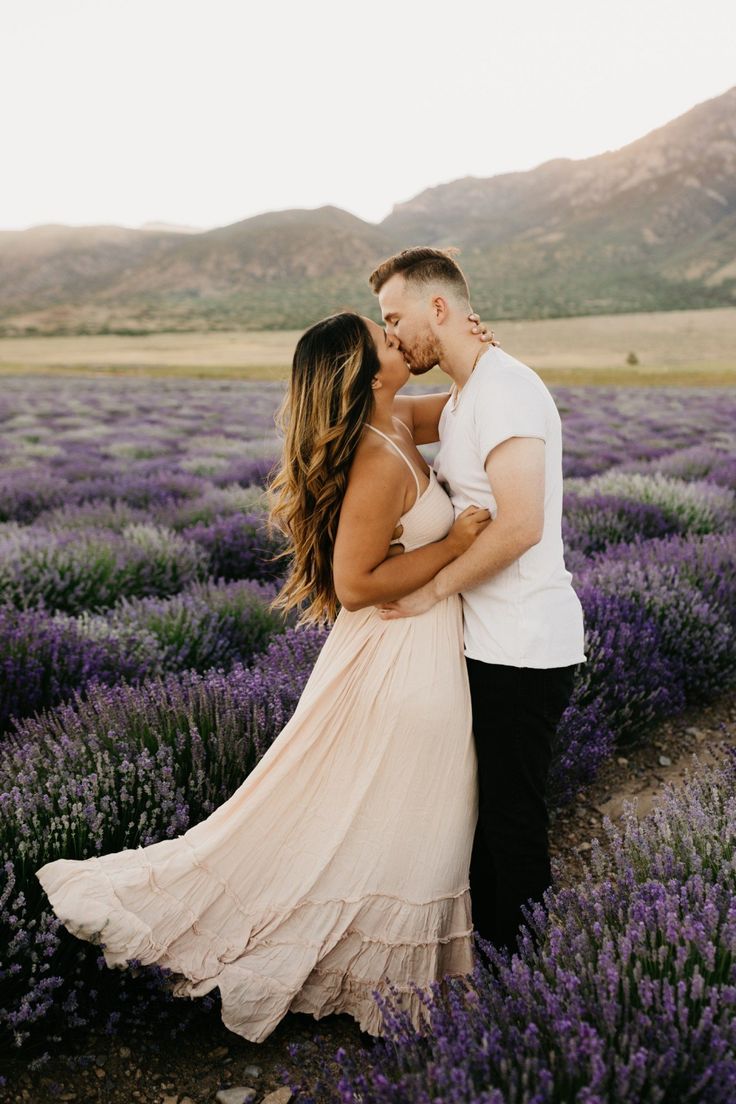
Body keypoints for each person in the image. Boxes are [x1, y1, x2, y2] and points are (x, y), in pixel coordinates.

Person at [34, 310, 494, 1042]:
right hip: (398, 656)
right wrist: (458, 542)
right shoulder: (377, 457)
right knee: (412, 807)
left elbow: (473, 401)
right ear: (368, 373)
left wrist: (475, 346)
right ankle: (371, 977)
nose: (398, 340)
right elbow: (353, 583)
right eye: (386, 339)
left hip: (417, 644)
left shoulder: (398, 418)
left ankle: (368, 961)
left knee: (384, 807)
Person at [371, 247, 586, 954]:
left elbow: (520, 524)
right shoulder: (466, 393)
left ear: (440, 308)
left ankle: (524, 981)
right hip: (486, 640)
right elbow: (377, 409)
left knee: (511, 817)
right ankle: (492, 964)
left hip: (524, 644)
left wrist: (433, 585)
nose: (393, 334)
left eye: (395, 318)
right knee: (486, 814)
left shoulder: (508, 389)